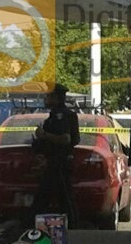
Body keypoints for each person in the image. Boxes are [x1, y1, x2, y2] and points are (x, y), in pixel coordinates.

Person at [31, 84, 80, 229]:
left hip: (59, 163)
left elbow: (66, 139)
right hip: (52, 162)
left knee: (65, 198)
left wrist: (44, 135)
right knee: (44, 198)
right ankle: (32, 225)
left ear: (56, 98)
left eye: (48, 96)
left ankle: (74, 228)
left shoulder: (61, 115)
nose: (46, 99)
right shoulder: (54, 115)